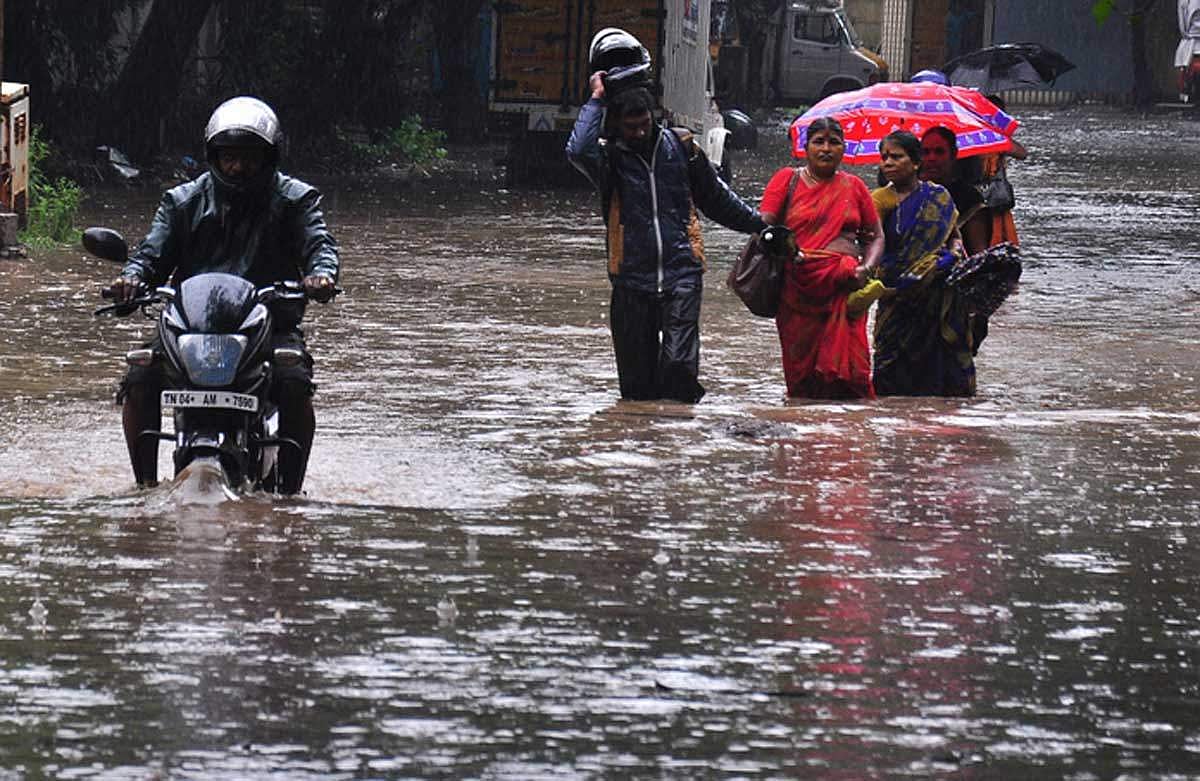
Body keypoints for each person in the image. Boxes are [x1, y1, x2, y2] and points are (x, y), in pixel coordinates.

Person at [110, 96, 340, 492]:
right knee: (141, 373)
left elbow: (319, 245)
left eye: (248, 157)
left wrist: (321, 275)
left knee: (293, 378)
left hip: (268, 324)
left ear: (269, 156)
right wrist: (131, 279)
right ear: (212, 155)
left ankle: (289, 495)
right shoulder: (183, 201)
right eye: (229, 156)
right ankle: (143, 487)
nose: (238, 166)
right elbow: (151, 253)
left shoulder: (296, 200)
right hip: (189, 325)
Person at [566, 73, 766, 403]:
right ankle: (644, 444)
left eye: (644, 123)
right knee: (636, 390)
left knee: (679, 371)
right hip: (630, 280)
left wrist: (758, 225)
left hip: (681, 275)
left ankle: (678, 442)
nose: (639, 132)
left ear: (654, 116)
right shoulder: (611, 160)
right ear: (616, 124)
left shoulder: (683, 148)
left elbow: (717, 199)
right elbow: (577, 150)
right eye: (630, 127)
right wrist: (597, 99)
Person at [760, 117, 883, 399]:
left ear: (844, 148)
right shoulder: (786, 180)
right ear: (806, 147)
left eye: (834, 142)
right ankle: (806, 435)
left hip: (844, 288)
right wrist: (787, 248)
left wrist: (867, 267)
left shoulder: (854, 186)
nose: (826, 148)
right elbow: (764, 228)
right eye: (819, 141)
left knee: (855, 377)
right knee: (802, 379)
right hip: (798, 291)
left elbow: (875, 236)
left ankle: (849, 437)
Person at [870, 130, 976, 397]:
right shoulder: (878, 200)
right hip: (895, 296)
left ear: (916, 162)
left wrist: (951, 257)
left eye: (897, 156)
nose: (888, 163)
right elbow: (869, 246)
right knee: (889, 370)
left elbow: (955, 239)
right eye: (884, 157)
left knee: (938, 372)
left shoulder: (938, 197)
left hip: (935, 295)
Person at [919, 126, 989, 257]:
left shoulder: (969, 198)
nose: (931, 158)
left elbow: (978, 252)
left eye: (939, 152)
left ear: (953, 155)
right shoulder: (909, 191)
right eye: (926, 152)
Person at [976, 94, 1027, 248]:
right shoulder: (974, 135)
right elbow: (1021, 153)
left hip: (993, 199)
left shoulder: (996, 138)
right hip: (980, 202)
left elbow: (1022, 153)